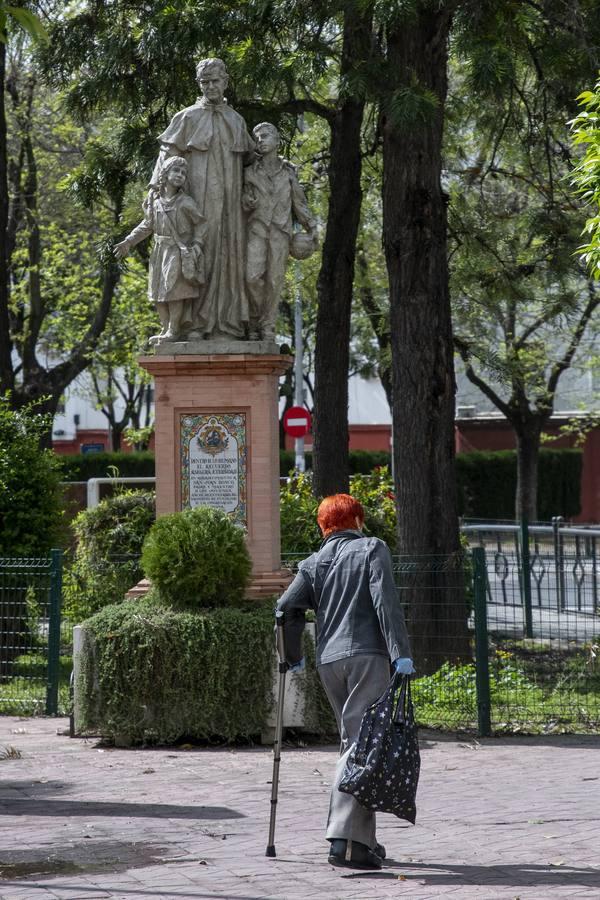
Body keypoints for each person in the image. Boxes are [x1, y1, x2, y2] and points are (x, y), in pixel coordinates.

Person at [276, 493, 414, 871]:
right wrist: (400, 653)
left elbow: (285, 608)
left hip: (328, 662)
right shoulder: (371, 548)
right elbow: (385, 600)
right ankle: (343, 842)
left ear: (324, 527)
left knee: (355, 741)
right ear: (356, 521)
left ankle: (363, 840)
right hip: (368, 656)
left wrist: (292, 657)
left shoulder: (311, 562)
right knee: (361, 744)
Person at [150, 57, 255, 340]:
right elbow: (166, 154)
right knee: (199, 255)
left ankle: (227, 323)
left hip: (230, 206)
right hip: (196, 202)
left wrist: (252, 190)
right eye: (204, 82)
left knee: (228, 255)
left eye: (215, 81)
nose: (210, 86)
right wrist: (154, 188)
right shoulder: (186, 117)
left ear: (225, 82)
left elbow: (250, 165)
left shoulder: (236, 120)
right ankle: (192, 324)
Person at [114, 156, 205, 343]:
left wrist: (197, 245)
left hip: (176, 251)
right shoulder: (155, 202)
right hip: (159, 251)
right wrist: (128, 242)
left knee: (173, 291)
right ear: (165, 174)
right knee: (157, 293)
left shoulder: (186, 202)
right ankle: (165, 329)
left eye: (183, 173)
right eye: (176, 171)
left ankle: (173, 330)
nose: (180, 175)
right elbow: (147, 226)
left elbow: (201, 224)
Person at [242, 122, 317, 340]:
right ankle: (254, 320)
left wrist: (311, 227)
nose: (260, 141)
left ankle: (267, 325)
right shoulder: (248, 173)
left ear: (277, 141)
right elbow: (242, 200)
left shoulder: (288, 174)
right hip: (256, 229)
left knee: (275, 280)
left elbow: (299, 204)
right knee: (252, 277)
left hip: (280, 232)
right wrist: (246, 201)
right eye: (257, 138)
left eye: (265, 136)